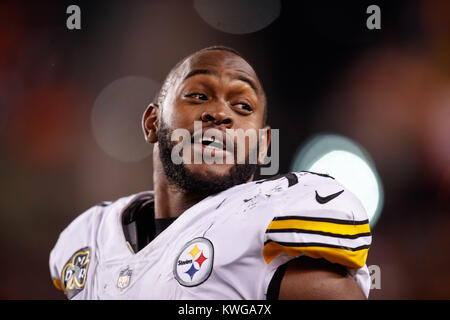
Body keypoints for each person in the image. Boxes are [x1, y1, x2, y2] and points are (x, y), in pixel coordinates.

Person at [49, 46, 371, 299]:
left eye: (242, 106)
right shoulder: (91, 239)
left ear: (261, 145)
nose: (218, 113)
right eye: (198, 96)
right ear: (152, 123)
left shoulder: (267, 231)